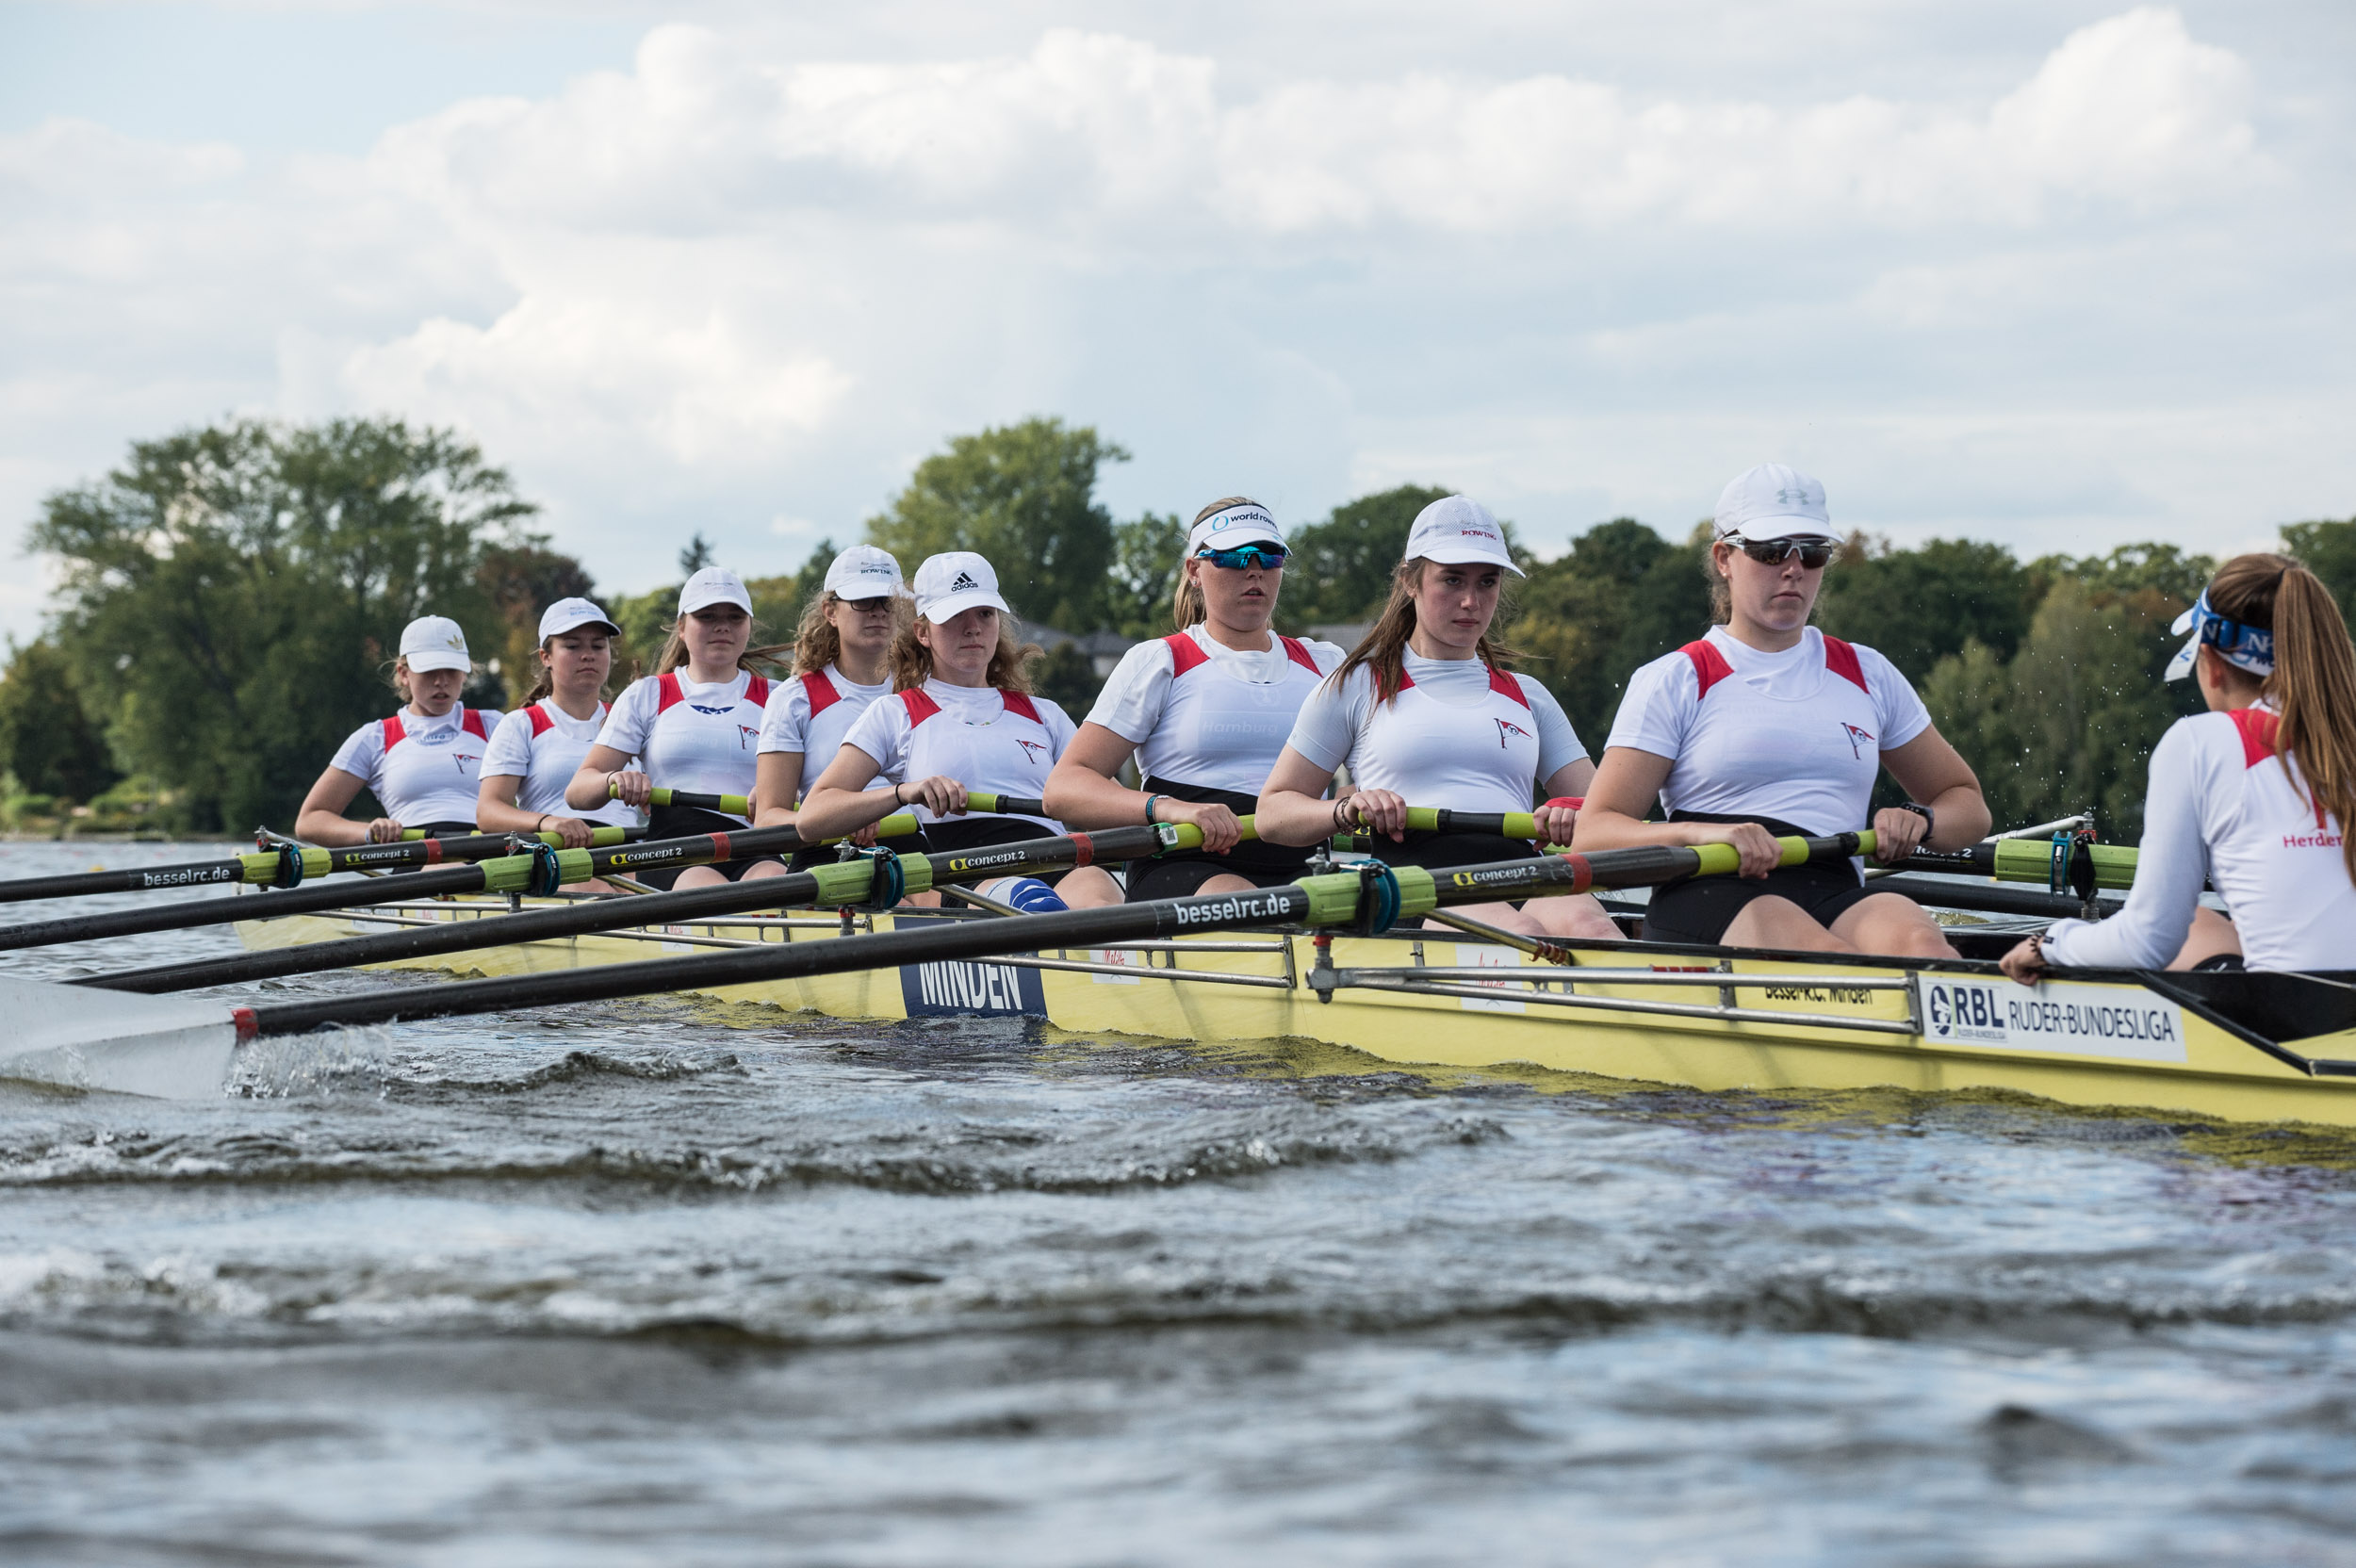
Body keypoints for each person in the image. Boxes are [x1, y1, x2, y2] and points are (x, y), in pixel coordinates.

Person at [1574, 464, 1990, 956]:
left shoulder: (1867, 673)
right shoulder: (1678, 678)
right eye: (1771, 551)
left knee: (1922, 942)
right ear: (1724, 558)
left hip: (1833, 885)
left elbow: (1967, 804)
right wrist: (1705, 834)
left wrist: (1920, 819)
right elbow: (1594, 835)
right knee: (1829, 959)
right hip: (1710, 889)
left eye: (1812, 553)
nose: (1793, 569)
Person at [1254, 496, 1619, 940]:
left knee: (1591, 926)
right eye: (1451, 580)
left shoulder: (1529, 696)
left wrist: (1572, 810)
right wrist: (1345, 808)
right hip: (1414, 878)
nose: (1470, 600)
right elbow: (1273, 814)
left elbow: (1606, 815)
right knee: (1520, 932)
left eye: (1487, 582)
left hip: (1521, 865)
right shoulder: (1355, 687)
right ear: (1410, 580)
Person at [2001, 554, 2356, 982]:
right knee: (2202, 922)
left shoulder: (2200, 743)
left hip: (2302, 1022)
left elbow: (2147, 941)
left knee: (2189, 923)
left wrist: (2051, 943)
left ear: (2212, 663)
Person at [1045, 498, 1347, 900]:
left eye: (1270, 556)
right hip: (1184, 866)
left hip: (1306, 867)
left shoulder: (1327, 663)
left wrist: (1356, 796)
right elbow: (1064, 790)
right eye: (1235, 557)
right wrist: (1170, 809)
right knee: (1250, 904)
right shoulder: (1160, 661)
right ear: (1194, 571)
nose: (1254, 569)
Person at [794, 550, 1123, 910]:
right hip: (967, 876)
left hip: (1054, 859)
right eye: (954, 616)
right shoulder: (895, 713)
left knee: (1100, 892)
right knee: (1028, 901)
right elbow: (812, 818)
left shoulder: (1045, 715)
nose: (973, 628)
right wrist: (904, 793)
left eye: (985, 614)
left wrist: (1172, 811)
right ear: (922, 632)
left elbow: (1111, 802)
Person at [565, 566, 790, 889]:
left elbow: (816, 784)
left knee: (775, 883)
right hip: (672, 850)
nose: (722, 626)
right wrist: (614, 778)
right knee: (705, 886)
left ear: (749, 627)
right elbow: (578, 792)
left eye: (735, 617)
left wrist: (776, 791)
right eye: (708, 616)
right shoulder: (649, 694)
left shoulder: (779, 697)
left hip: (756, 848)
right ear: (682, 628)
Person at [751, 545, 907, 870]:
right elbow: (767, 818)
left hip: (918, 847)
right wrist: (842, 817)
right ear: (830, 612)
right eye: (863, 601)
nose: (878, 611)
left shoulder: (924, 690)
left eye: (888, 601)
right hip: (831, 852)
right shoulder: (795, 700)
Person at [297, 615, 499, 845]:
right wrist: (369, 831)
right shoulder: (375, 738)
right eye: (430, 670)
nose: (441, 681)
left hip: (487, 853)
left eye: (451, 670)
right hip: (412, 857)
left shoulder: (495, 727)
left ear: (464, 673)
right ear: (404, 674)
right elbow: (310, 821)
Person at [477, 597, 639, 849]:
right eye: (572, 646)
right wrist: (547, 822)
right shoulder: (521, 725)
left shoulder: (632, 719)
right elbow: (488, 813)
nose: (587, 656)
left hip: (627, 855)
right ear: (546, 657)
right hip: (555, 857)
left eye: (598, 646)